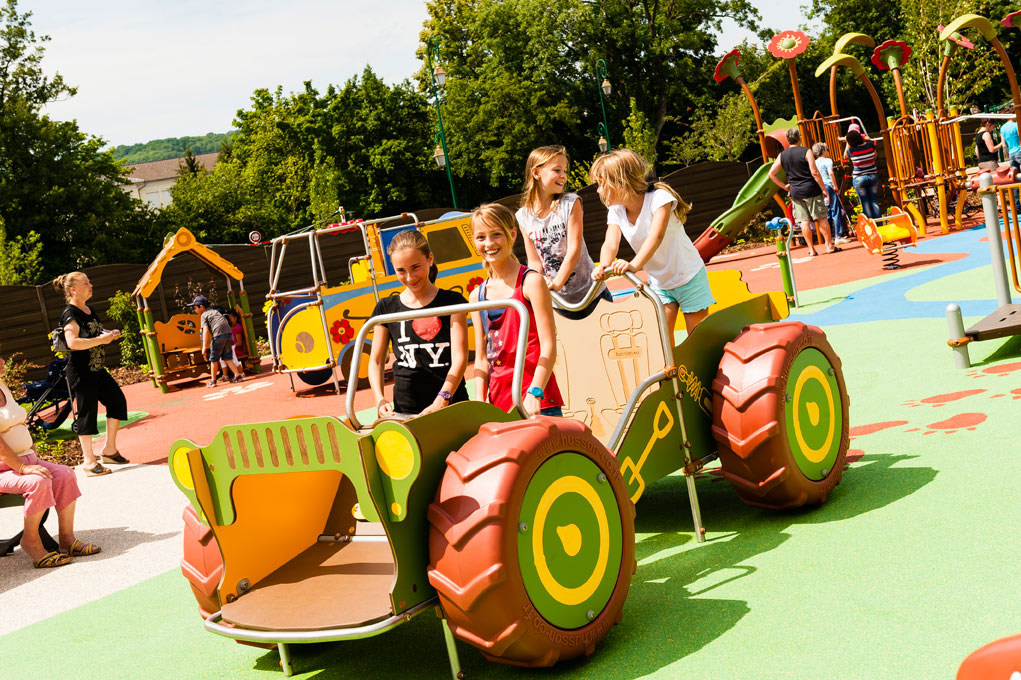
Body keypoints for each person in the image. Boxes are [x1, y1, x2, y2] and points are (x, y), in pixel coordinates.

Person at [589, 148, 715, 335]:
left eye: (601, 184)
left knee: (697, 337)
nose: (599, 190)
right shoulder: (616, 210)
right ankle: (672, 365)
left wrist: (634, 265)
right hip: (661, 283)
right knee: (662, 337)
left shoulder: (659, 198)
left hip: (689, 276)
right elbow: (610, 242)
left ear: (621, 182)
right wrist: (604, 266)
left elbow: (656, 236)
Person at [0, 353, 102, 568]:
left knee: (65, 474)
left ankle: (67, 539)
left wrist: (30, 452)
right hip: (5, 469)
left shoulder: (2, 385)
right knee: (37, 482)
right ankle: (31, 541)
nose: (2, 362)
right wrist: (23, 467)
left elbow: (18, 424)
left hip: (23, 460)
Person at [469, 203, 564, 417]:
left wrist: (535, 391)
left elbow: (548, 345)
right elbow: (482, 359)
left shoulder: (531, 282)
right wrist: (479, 405)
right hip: (499, 406)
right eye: (481, 237)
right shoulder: (477, 296)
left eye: (496, 235)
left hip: (536, 401)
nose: (489, 244)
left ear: (512, 234)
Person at [368, 229, 469, 419]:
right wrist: (379, 399)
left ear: (430, 259)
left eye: (415, 267)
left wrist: (443, 398)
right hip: (406, 409)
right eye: (401, 271)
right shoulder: (386, 307)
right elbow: (376, 361)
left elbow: (460, 358)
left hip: (451, 405)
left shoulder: (452, 301)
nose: (410, 277)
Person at [516, 145, 609, 319]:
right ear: (536, 173)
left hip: (591, 296)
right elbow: (535, 262)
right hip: (557, 302)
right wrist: (537, 285)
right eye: (557, 170)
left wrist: (557, 283)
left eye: (564, 171)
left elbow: (574, 250)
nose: (564, 176)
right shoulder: (523, 216)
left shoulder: (570, 203)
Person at [55, 272, 128, 477]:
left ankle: (109, 451)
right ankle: (89, 462)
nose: (91, 285)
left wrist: (107, 334)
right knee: (87, 413)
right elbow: (73, 343)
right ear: (73, 290)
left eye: (89, 282)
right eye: (85, 283)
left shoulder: (88, 309)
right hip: (81, 372)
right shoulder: (70, 313)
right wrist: (101, 341)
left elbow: (93, 331)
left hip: (97, 369)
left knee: (117, 402)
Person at [770, 128, 837, 256]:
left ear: (787, 140)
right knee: (821, 218)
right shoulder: (806, 151)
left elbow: (771, 174)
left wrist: (784, 186)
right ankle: (829, 246)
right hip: (811, 189)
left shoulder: (782, 155)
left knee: (804, 221)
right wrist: (823, 189)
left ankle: (811, 249)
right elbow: (814, 172)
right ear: (799, 138)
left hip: (796, 192)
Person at [188, 296, 243, 387]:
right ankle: (237, 376)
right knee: (227, 357)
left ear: (201, 307)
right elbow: (224, 322)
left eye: (195, 308)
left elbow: (205, 330)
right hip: (229, 335)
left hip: (218, 336)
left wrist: (204, 346)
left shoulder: (204, 315)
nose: (195, 311)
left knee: (214, 359)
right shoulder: (215, 312)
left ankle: (213, 381)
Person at [844, 127, 883, 221]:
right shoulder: (870, 145)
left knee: (865, 202)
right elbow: (875, 156)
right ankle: (879, 224)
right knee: (874, 201)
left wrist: (847, 143)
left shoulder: (851, 151)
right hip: (872, 176)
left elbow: (845, 157)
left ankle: (870, 225)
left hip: (859, 178)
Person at [813, 142, 848, 243]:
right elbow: (831, 173)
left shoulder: (814, 162)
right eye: (827, 149)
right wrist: (835, 186)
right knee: (835, 210)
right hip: (828, 186)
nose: (828, 151)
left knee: (826, 212)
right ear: (823, 151)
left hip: (819, 188)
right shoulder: (827, 160)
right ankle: (838, 235)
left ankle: (830, 236)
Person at [218, 310, 244, 378]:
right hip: (226, 346)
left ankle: (241, 373)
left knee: (234, 360)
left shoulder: (233, 328)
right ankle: (225, 375)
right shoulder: (225, 327)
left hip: (232, 347)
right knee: (221, 359)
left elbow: (238, 342)